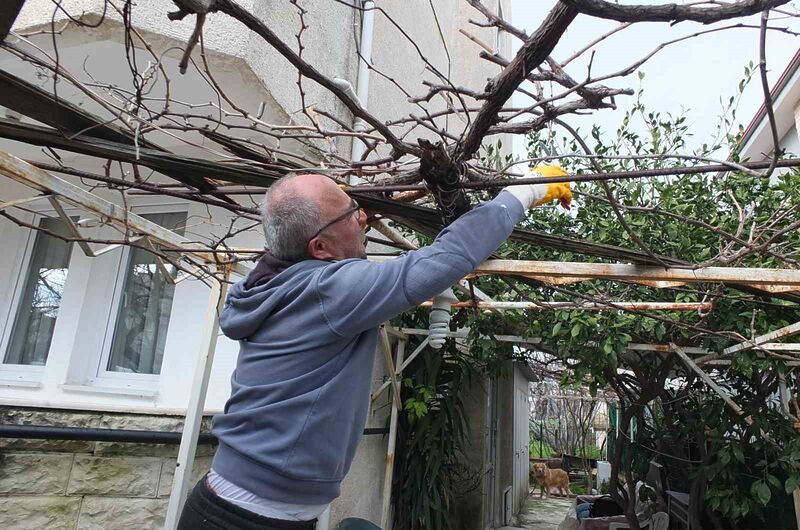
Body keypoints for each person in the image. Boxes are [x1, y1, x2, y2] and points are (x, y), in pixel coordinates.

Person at [177, 169, 572, 529]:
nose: (364, 216)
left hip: (236, 505)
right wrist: (525, 192)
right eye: (351, 213)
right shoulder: (329, 289)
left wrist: (334, 207)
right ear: (320, 247)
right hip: (248, 520)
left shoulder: (271, 284)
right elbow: (446, 258)